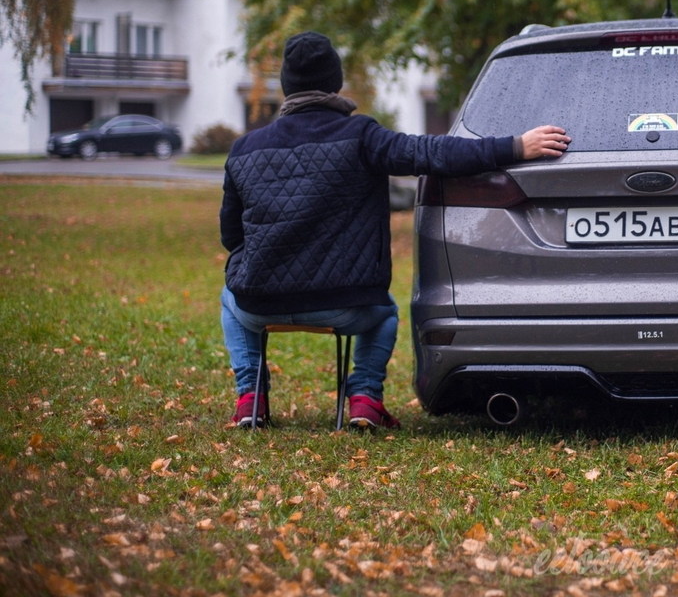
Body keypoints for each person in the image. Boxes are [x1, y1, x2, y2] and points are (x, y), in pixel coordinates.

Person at [220, 30, 570, 429]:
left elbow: (231, 237)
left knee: (230, 297)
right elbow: (430, 153)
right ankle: (366, 399)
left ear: (286, 85)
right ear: (335, 81)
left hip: (259, 302)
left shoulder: (244, 149)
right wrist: (514, 147)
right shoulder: (361, 135)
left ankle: (250, 399)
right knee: (384, 312)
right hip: (347, 303)